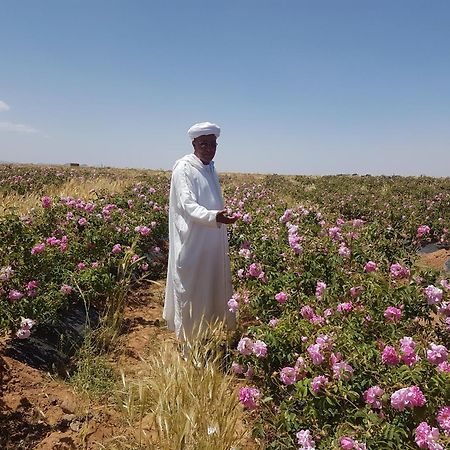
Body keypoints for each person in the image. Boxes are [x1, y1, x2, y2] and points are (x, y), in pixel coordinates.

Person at [163, 121, 238, 344]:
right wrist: (214, 217)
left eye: (213, 144)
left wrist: (219, 216)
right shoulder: (184, 168)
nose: (209, 148)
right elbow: (187, 205)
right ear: (194, 144)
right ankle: (188, 344)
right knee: (191, 291)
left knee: (209, 288)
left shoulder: (209, 167)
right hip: (193, 242)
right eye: (204, 144)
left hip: (211, 242)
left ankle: (204, 336)